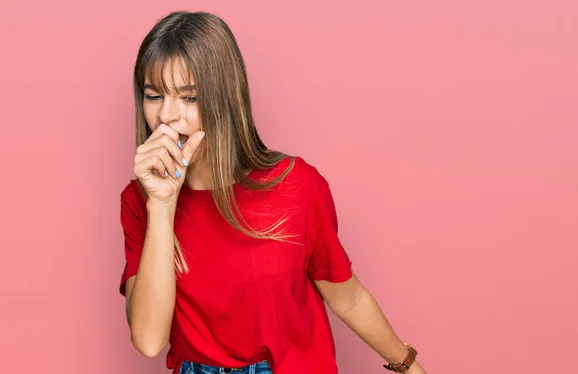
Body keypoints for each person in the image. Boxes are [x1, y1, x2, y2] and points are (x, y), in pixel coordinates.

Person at [118, 10, 427, 374]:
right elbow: (150, 340)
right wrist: (163, 204)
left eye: (189, 97)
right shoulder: (141, 201)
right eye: (154, 96)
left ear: (224, 99)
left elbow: (347, 296)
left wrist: (407, 364)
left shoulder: (297, 185)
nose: (167, 116)